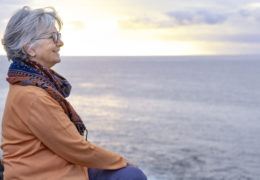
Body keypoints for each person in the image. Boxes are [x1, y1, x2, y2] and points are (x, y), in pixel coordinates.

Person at [1, 6, 147, 180]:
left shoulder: (28, 85)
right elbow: (75, 148)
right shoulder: (33, 96)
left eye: (59, 36)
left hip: (56, 168)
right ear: (30, 49)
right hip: (43, 175)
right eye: (53, 37)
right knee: (131, 175)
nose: (60, 43)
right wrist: (122, 161)